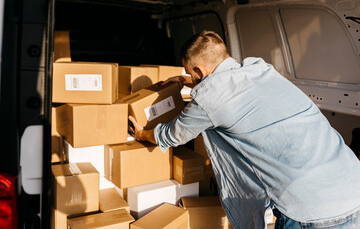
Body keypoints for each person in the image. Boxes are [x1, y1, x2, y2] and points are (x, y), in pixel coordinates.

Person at [128, 30, 360, 229]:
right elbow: (226, 83)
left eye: (191, 73)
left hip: (310, 211)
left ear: (200, 71)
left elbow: (173, 134)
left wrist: (141, 134)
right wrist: (188, 81)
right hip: (353, 188)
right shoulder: (260, 70)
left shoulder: (210, 98)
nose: (191, 77)